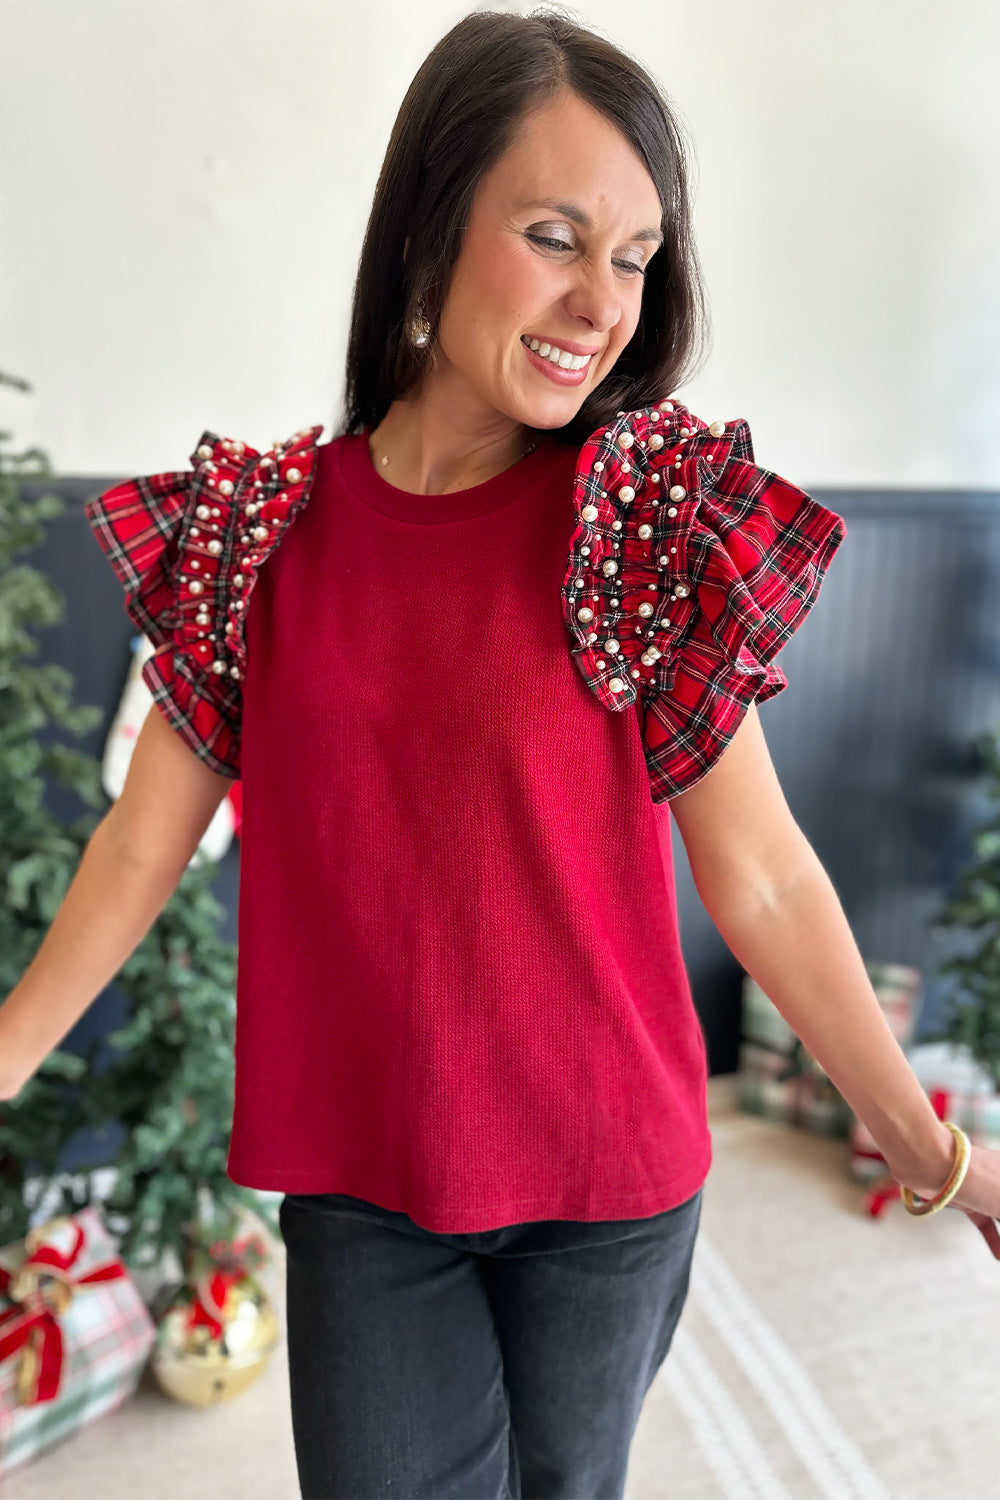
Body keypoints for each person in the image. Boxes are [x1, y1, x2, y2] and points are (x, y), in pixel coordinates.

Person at [3, 8, 999, 1499]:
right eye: (555, 235)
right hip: (361, 1188)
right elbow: (142, 845)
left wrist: (938, 1157)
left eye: (637, 255)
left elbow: (767, 879)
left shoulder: (638, 521)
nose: (604, 300)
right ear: (428, 231)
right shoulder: (260, 538)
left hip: (609, 1188)